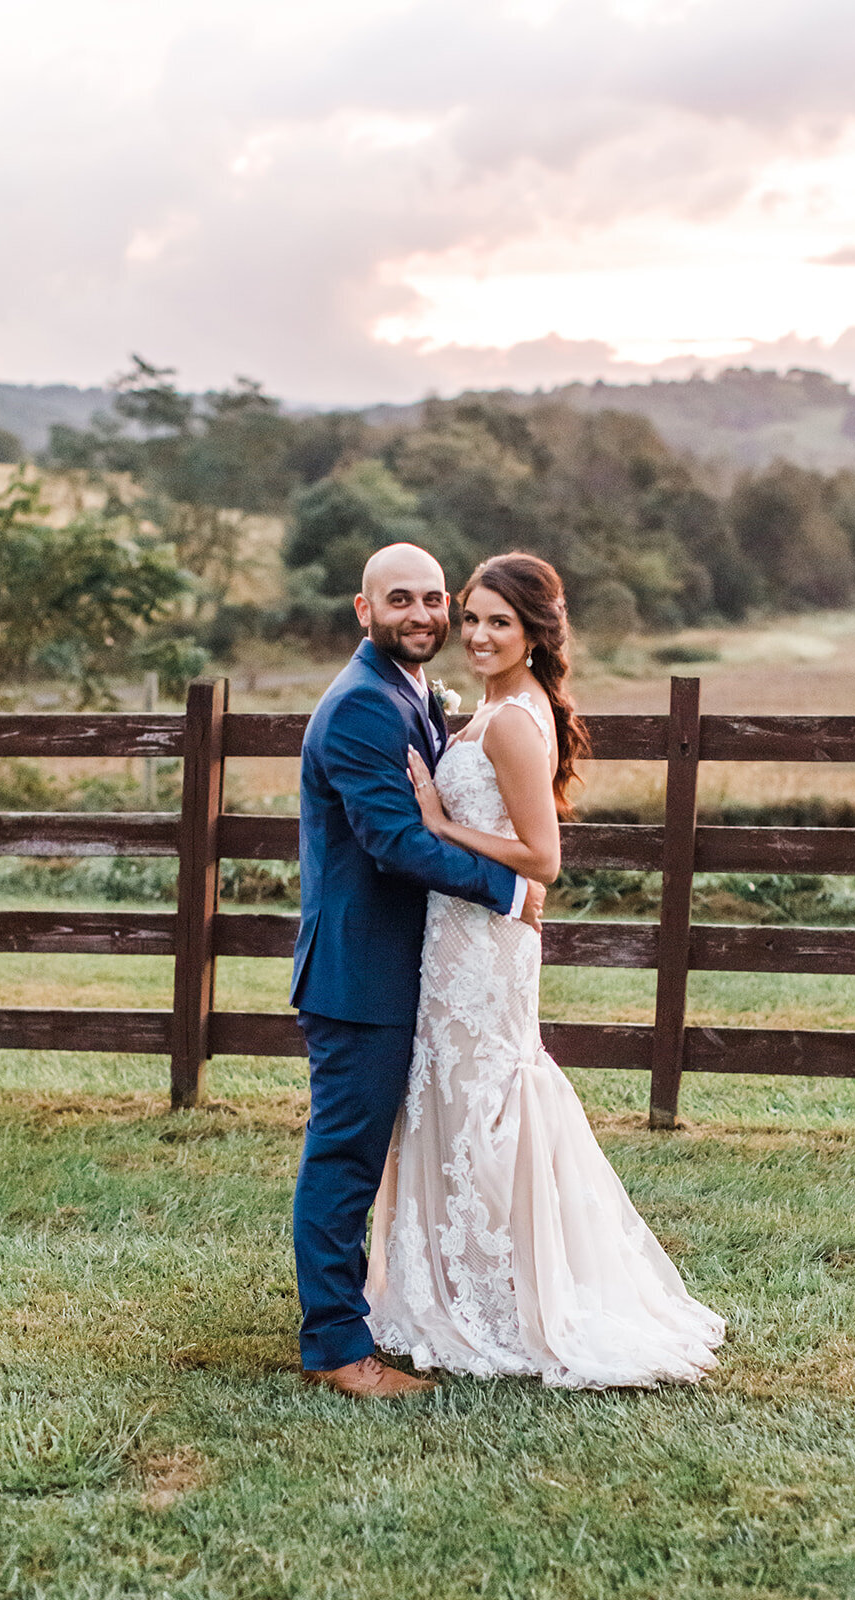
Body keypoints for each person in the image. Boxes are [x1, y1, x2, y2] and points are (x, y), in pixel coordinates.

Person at [367, 552, 725, 1387]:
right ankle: (452, 1280)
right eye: (473, 618)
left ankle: (500, 1295)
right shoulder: (490, 708)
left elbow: (543, 857)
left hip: (486, 947)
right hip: (458, 936)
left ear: (534, 632)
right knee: (452, 1098)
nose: (479, 634)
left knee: (483, 1099)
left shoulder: (516, 722)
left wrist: (437, 823)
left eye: (500, 621)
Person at [290, 543, 545, 1400]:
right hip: (359, 973)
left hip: (410, 968)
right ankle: (334, 1348)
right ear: (363, 610)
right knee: (345, 1160)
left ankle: (406, 1305)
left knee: (386, 1154)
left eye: (435, 599)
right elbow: (394, 842)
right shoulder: (363, 705)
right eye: (401, 600)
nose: (426, 616)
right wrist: (508, 887)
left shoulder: (408, 692)